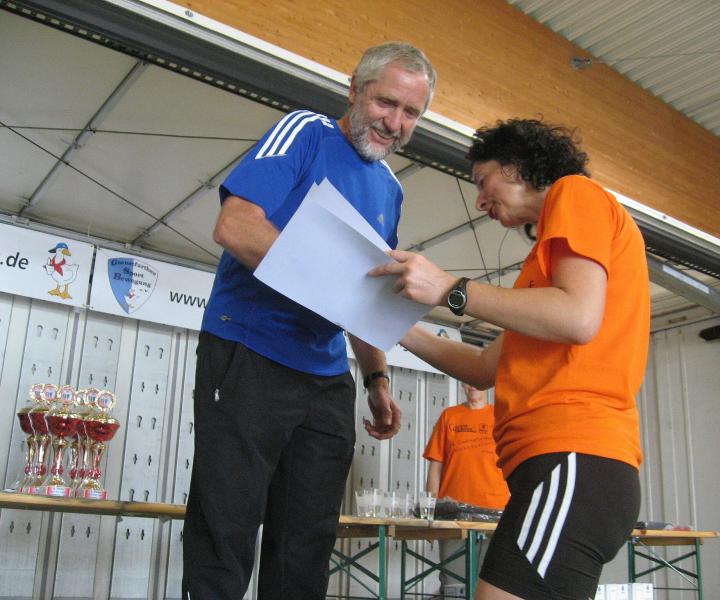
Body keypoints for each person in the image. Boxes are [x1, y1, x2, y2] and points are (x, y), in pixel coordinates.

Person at [182, 42, 437, 600]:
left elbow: (365, 291)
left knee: (306, 545)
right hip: (249, 353)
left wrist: (376, 378)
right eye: (386, 103)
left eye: (411, 113)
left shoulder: (391, 190)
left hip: (325, 378)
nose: (395, 123)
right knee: (225, 530)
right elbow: (236, 227)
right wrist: (332, 283)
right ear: (355, 90)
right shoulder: (304, 133)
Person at [370, 119, 649, 600]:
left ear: (518, 165)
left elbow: (578, 317)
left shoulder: (574, 192)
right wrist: (392, 327)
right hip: (561, 469)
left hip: (573, 457)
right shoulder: (542, 275)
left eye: (483, 181)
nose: (480, 201)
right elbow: (484, 368)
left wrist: (451, 289)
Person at [424, 382, 509, 598]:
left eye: (477, 381)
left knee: (491, 585)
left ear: (489, 383)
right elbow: (435, 469)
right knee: (455, 587)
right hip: (453, 515)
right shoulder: (449, 417)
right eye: (467, 381)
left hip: (496, 513)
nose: (472, 386)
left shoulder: (501, 417)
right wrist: (429, 514)